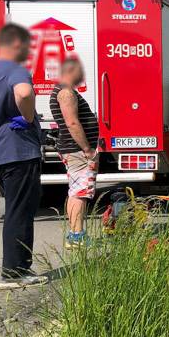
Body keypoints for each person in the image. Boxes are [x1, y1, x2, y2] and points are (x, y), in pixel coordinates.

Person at [0, 24, 47, 288]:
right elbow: (24, 92)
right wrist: (28, 116)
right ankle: (15, 272)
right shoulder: (15, 69)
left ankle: (14, 268)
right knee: (20, 211)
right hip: (19, 149)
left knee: (14, 208)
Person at [49, 57, 100, 248]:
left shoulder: (63, 91)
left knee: (75, 192)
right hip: (77, 151)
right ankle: (77, 236)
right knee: (80, 193)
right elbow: (71, 122)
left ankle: (75, 234)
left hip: (73, 150)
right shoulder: (66, 93)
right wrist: (87, 149)